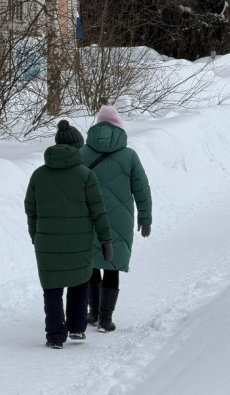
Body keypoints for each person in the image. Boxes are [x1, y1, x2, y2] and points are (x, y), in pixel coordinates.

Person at [24, 120, 113, 349]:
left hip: (47, 243)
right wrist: (105, 239)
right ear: (78, 146)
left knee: (52, 287)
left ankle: (55, 336)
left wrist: (35, 234)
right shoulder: (85, 175)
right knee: (79, 281)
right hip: (80, 241)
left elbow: (30, 209)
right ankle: (76, 328)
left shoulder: (38, 175)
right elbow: (98, 210)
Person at [81, 106, 152, 333]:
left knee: (91, 264)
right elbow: (142, 190)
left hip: (89, 217)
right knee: (112, 267)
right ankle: (105, 319)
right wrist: (145, 217)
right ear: (119, 128)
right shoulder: (129, 155)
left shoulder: (82, 153)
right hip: (120, 220)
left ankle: (92, 312)